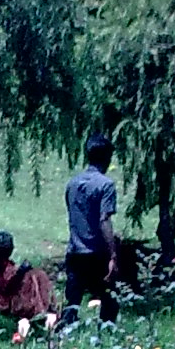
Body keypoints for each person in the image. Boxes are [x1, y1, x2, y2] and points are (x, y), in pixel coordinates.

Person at [63, 134, 119, 324]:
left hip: (75, 251)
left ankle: (64, 340)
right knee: (109, 300)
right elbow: (104, 220)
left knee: (72, 302)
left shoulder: (72, 184)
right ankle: (106, 336)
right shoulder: (106, 185)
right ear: (107, 158)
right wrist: (113, 255)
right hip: (97, 253)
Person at [0, 231, 53, 320]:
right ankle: (39, 313)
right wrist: (20, 274)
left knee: (38, 275)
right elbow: (4, 289)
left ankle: (47, 308)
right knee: (29, 279)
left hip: (9, 294)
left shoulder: (2, 263)